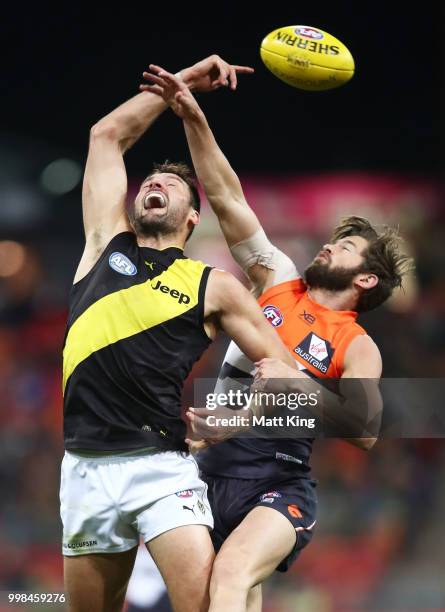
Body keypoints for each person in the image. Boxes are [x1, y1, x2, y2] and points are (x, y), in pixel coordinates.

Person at [142, 67, 413, 612]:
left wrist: (295, 382)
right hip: (205, 468)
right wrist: (194, 118)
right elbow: (226, 196)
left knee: (233, 574)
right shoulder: (276, 279)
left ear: (365, 280)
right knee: (214, 598)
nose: (330, 247)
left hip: (278, 482)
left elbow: (365, 430)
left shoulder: (357, 344)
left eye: (346, 247)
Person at [60, 55, 297, 612]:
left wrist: (236, 421)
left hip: (160, 466)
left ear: (192, 218)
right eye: (149, 181)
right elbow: (106, 135)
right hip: (84, 466)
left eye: (169, 183)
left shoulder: (213, 286)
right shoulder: (102, 246)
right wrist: (183, 84)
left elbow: (282, 366)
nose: (154, 185)